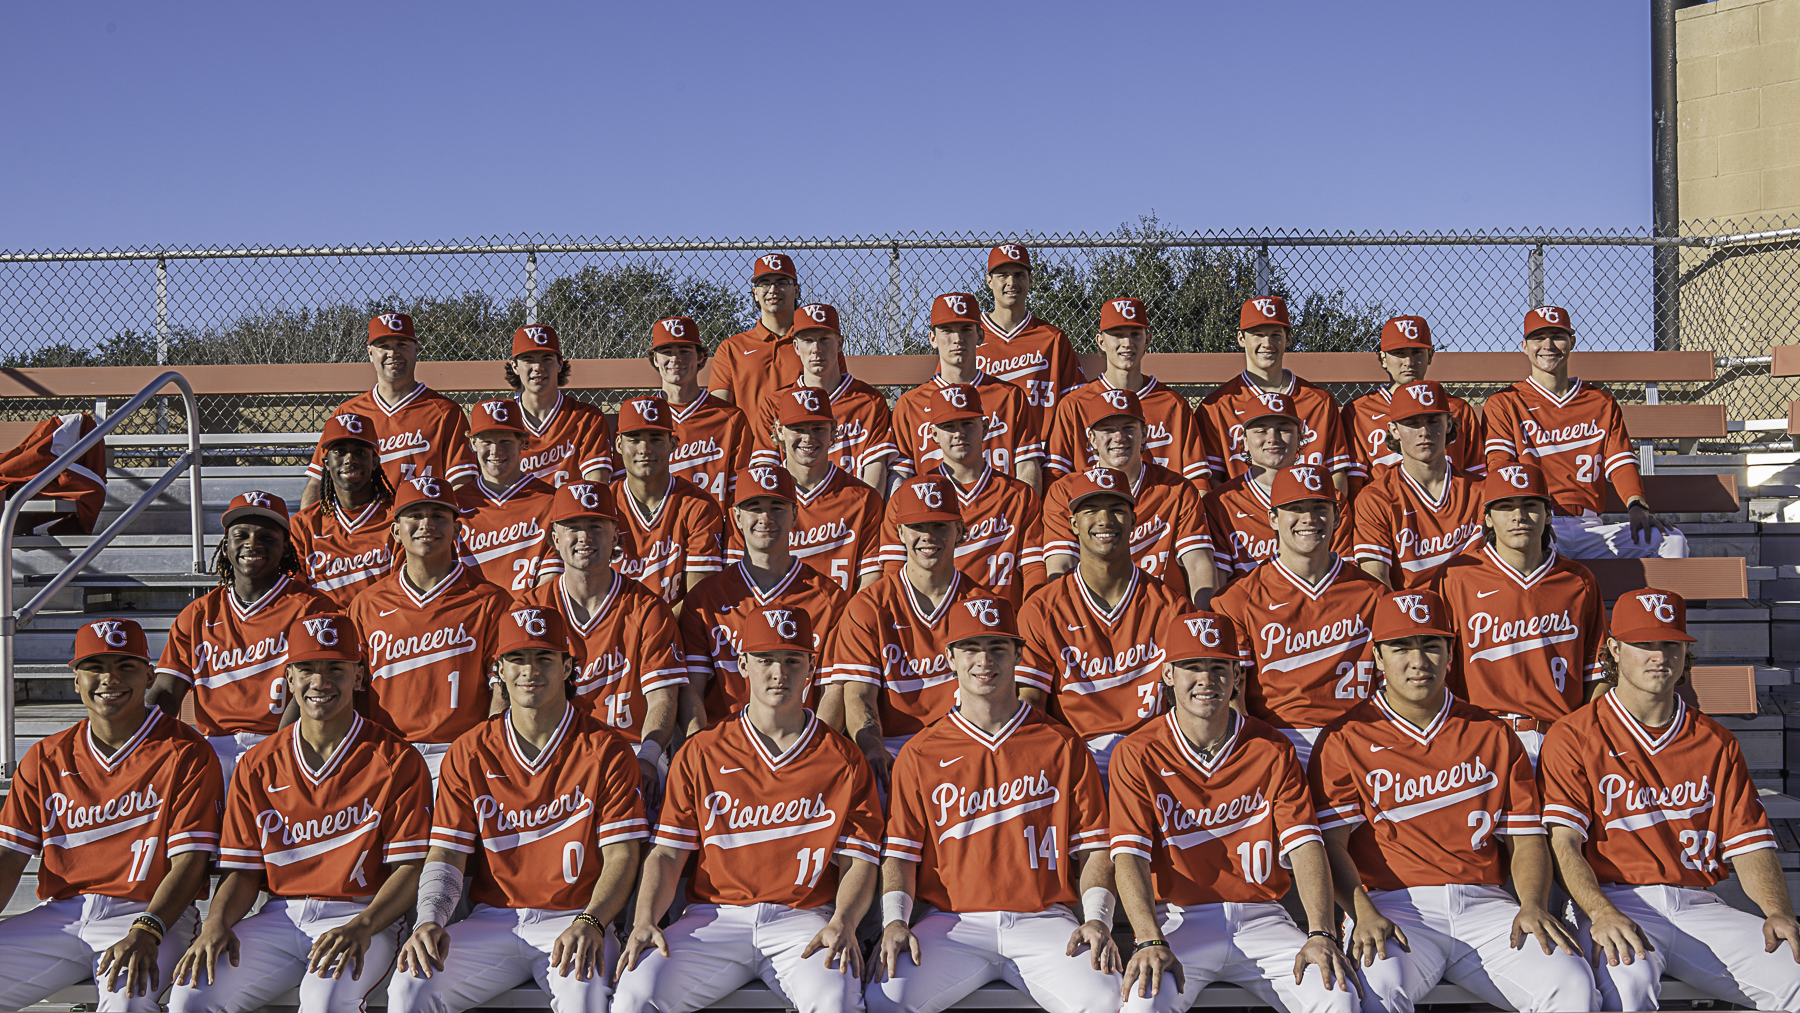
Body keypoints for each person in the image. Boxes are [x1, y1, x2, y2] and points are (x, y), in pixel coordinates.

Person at [1311, 589, 1594, 1013]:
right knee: (1376, 988)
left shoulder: (1492, 732)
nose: (1418, 661)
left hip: (1486, 906)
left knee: (1571, 983)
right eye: (1401, 647)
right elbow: (1331, 845)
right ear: (1378, 656)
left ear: (1450, 652)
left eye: (1431, 645)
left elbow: (1526, 840)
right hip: (1394, 905)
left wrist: (1532, 904)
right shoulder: (1344, 737)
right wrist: (1362, 912)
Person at [614, 606, 883, 1013]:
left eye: (793, 660)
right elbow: (667, 854)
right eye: (765, 660)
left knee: (836, 1001)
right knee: (635, 994)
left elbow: (858, 861)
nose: (779, 673)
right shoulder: (702, 751)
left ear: (812, 667)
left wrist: (843, 920)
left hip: (804, 920)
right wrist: (645, 920)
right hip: (713, 918)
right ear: (742, 664)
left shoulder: (841, 757)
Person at [1543, 588, 1800, 1011]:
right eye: (1644, 644)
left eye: (1669, 643)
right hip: (1617, 898)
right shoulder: (1574, 735)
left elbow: (1750, 844)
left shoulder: (1716, 741)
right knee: (1628, 986)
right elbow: (1564, 843)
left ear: (1684, 652)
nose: (1658, 656)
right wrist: (1601, 912)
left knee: (1792, 973)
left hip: (1699, 905)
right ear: (1614, 648)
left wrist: (1777, 910)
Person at [168, 613, 433, 1013]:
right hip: (279, 915)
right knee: (191, 996)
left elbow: (410, 869)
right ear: (289, 678)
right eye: (307, 669)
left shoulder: (397, 759)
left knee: (325, 1001)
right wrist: (216, 924)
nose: (320, 682)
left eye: (335, 669)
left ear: (359, 677)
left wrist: (363, 926)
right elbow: (243, 871)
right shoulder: (256, 763)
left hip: (362, 914)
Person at [388, 606, 648, 1013]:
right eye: (517, 659)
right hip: (494, 920)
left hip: (575, 917)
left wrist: (593, 921)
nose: (531, 671)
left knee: (584, 997)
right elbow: (447, 853)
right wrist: (429, 919)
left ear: (567, 667)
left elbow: (623, 854)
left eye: (544, 657)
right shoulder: (469, 750)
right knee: (410, 987)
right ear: (500, 671)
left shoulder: (606, 749)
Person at [869, 596, 1122, 1013]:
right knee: (884, 1000)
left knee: (1108, 1001)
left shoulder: (1062, 743)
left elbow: (1095, 848)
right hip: (952, 924)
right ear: (949, 657)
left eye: (998, 648)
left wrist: (1097, 918)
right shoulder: (920, 752)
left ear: (1019, 654)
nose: (984, 660)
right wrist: (895, 920)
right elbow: (899, 855)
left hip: (1044, 921)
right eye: (970, 648)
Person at [1109, 612, 1356, 1013]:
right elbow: (1129, 855)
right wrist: (1148, 938)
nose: (1206, 680)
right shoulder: (1138, 751)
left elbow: (1306, 844)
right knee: (1143, 1004)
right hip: (1179, 920)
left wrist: (1321, 932)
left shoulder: (1271, 746)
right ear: (1169, 674)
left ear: (1237, 677)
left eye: (1218, 668)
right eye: (1192, 667)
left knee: (1337, 996)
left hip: (1264, 918)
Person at [0, 619, 222, 1012]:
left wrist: (149, 928)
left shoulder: (186, 751)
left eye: (126, 666)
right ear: (75, 678)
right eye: (95, 667)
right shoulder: (45, 756)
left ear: (149, 674)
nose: (109, 679)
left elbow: (190, 862)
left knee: (128, 1004)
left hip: (148, 913)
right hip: (62, 915)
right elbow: (9, 857)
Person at [150, 491, 336, 785]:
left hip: (288, 738)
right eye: (242, 535)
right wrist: (138, 740)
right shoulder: (197, 613)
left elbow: (314, 689)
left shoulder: (313, 608)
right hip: (213, 744)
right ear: (226, 546)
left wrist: (277, 748)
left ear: (287, 547)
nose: (253, 544)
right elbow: (166, 690)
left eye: (266, 536)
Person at [515, 482, 686, 795]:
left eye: (596, 525)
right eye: (573, 527)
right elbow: (513, 699)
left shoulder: (647, 609)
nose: (585, 537)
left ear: (615, 536)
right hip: (554, 749)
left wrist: (648, 757)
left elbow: (662, 699)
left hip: (633, 747)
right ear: (555, 538)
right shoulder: (529, 610)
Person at [1018, 467, 1188, 778]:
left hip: (1153, 756)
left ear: (1135, 520)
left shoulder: (1172, 606)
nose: (1105, 520)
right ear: (1072, 524)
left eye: (1117, 510)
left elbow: (1185, 700)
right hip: (1077, 758)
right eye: (1091, 510)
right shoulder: (1041, 609)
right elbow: (1031, 702)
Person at [1211, 465, 1382, 768]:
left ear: (1337, 516)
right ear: (1273, 519)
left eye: (1320, 507)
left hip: (1360, 737)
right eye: (1296, 509)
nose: (1309, 519)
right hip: (1280, 741)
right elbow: (1233, 700)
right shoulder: (1236, 600)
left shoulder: (1373, 594)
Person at [1483, 305, 1687, 559]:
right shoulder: (1505, 403)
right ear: (1524, 346)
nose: (1548, 345)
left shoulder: (1600, 402)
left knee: (1671, 541)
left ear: (1572, 342)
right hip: (1536, 524)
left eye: (1557, 336)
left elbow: (1621, 464)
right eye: (1538, 338)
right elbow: (1499, 468)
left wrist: (1637, 507)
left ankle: (1659, 601)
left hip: (1591, 526)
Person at [1435, 462, 1606, 764]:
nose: (1519, 516)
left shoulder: (1578, 580)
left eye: (1530, 504)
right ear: (1487, 518)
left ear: (1548, 514)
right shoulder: (1456, 577)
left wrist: (1579, 733)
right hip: (1481, 736)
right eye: (1505, 506)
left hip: (1560, 737)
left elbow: (1598, 672)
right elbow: (1437, 670)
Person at [347, 476, 511, 785]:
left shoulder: (491, 600)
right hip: (385, 752)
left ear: (458, 529)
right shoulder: (367, 604)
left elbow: (501, 689)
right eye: (415, 515)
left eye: (438, 516)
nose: (427, 525)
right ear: (396, 530)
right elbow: (354, 690)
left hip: (461, 752)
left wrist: (487, 750)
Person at [832, 474, 990, 781]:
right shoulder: (868, 606)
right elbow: (859, 694)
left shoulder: (981, 606)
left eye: (940, 526)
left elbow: (995, 696)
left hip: (966, 741)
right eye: (918, 527)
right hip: (893, 746)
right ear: (900, 532)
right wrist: (873, 747)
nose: (928, 536)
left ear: (960, 530)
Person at [682, 465, 849, 732]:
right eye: (754, 507)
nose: (765, 517)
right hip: (723, 746)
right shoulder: (704, 600)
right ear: (736, 516)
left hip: (801, 741)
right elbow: (692, 689)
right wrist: (699, 750)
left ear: (795, 515)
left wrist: (815, 751)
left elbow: (835, 690)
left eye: (777, 507)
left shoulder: (830, 598)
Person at [1042, 389, 1215, 607]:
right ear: (1092, 439)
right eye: (1107, 430)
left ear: (1144, 435)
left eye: (1128, 428)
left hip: (1162, 613)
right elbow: (1062, 565)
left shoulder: (1177, 489)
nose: (1119, 437)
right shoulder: (1065, 490)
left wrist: (1203, 619)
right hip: (1091, 612)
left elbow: (1199, 564)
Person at [878, 382, 1044, 607]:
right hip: (931, 620)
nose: (959, 433)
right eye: (949, 426)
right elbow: (893, 572)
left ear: (985, 427)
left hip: (1000, 626)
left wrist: (1030, 619)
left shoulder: (1019, 495)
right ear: (933, 434)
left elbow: (1034, 569)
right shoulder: (906, 498)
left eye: (967, 423)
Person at [301, 312, 474, 509]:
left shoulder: (445, 411)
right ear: (370, 353)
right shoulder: (348, 413)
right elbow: (317, 482)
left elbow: (461, 483)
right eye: (384, 346)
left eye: (402, 344)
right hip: (364, 525)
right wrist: (307, 531)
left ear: (416, 349)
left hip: (420, 526)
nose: (393, 353)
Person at [1197, 297, 1353, 495]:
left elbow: (1335, 472)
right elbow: (1212, 481)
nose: (1267, 343)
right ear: (1241, 338)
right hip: (1242, 517)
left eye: (1275, 335)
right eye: (1258, 335)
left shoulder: (1319, 401)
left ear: (1288, 339)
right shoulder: (1216, 406)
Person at [1045, 297, 1209, 486]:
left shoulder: (1174, 405)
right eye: (1117, 334)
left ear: (1148, 339)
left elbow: (1197, 481)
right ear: (1101, 341)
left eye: (1135, 334)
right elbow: (1055, 477)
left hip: (1161, 512)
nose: (1127, 342)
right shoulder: (1074, 404)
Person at [736, 386, 884, 594]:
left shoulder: (864, 498)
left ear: (833, 430)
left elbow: (871, 579)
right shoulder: (755, 502)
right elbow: (736, 574)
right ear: (779, 431)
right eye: (798, 428)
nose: (808, 438)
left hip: (840, 620)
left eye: (818, 428)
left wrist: (848, 624)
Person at [891, 293, 1044, 492]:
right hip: (934, 516)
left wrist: (1021, 512)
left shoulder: (1010, 397)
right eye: (946, 330)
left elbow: (1027, 466)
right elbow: (901, 476)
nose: (957, 339)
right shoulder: (910, 404)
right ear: (932, 338)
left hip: (999, 516)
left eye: (966, 330)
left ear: (980, 335)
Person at [1201, 393, 1351, 584]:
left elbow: (1341, 573)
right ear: (1245, 441)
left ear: (1300, 438)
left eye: (1283, 429)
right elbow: (1218, 583)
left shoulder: (1328, 499)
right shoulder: (1219, 503)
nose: (1273, 438)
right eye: (1261, 431)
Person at [751, 303, 898, 494]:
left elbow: (875, 471)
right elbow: (766, 470)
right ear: (795, 346)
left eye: (824, 339)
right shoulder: (774, 403)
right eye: (807, 340)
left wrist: (864, 514)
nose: (816, 349)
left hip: (853, 511)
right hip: (795, 513)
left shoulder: (869, 401)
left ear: (839, 344)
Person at [1348, 381, 1482, 590]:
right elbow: (1376, 581)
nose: (1424, 431)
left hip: (1474, 614)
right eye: (1412, 423)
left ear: (1448, 424)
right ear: (1394, 430)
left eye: (1433, 421)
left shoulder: (1481, 490)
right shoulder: (1375, 498)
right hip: (1411, 614)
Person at [1340, 316, 1485, 496]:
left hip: (1450, 512)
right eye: (1399, 353)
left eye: (1417, 352)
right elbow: (1355, 484)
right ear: (1383, 358)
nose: (1409, 362)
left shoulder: (1456, 409)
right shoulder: (1358, 412)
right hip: (1388, 511)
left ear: (1430, 356)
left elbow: (1477, 475)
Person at [609, 396, 724, 607]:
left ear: (673, 443)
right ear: (618, 444)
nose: (645, 449)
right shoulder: (604, 506)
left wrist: (654, 631)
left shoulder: (699, 507)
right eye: (634, 439)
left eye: (656, 439)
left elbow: (698, 598)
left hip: (673, 631)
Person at [290, 412, 398, 607]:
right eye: (339, 452)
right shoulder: (302, 524)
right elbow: (295, 595)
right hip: (324, 629)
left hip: (383, 626)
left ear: (375, 462)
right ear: (326, 463)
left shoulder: (398, 516)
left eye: (361, 452)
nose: (350, 460)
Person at [648, 315, 754, 512]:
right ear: (655, 359)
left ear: (701, 357)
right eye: (666, 351)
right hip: (658, 529)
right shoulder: (641, 417)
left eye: (685, 351)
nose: (675, 359)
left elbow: (739, 490)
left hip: (714, 525)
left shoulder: (729, 418)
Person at [455, 399, 562, 592]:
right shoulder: (456, 504)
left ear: (522, 443)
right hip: (471, 616)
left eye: (505, 441)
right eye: (487, 441)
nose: (496, 450)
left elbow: (551, 577)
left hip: (529, 615)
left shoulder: (550, 500)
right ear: (473, 443)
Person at [977, 244, 1087, 414]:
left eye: (1019, 275)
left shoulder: (1052, 338)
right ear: (989, 281)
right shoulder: (968, 337)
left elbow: (1074, 402)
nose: (1011, 283)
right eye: (1003, 276)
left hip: (1042, 440)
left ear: (1030, 280)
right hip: (987, 439)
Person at [506, 323, 613, 488]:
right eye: (528, 360)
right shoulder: (504, 420)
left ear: (560, 364)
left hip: (572, 512)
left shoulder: (587, 418)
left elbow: (596, 487)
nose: (538, 367)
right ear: (515, 367)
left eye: (546, 359)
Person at [709, 254, 814, 411]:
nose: (773, 290)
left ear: (797, 291)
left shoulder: (817, 343)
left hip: (803, 435)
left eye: (782, 283)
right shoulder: (731, 348)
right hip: (749, 436)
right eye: (764, 284)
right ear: (755, 293)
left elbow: (836, 398)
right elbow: (720, 413)